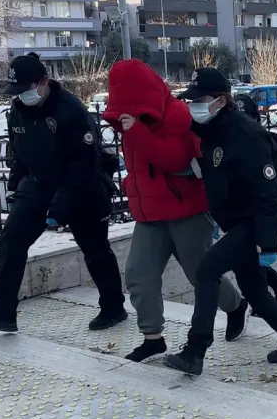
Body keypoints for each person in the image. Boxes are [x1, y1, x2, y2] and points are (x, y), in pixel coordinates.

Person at [0, 53, 126, 332]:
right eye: (16, 90)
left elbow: (84, 164)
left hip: (82, 187)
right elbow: (19, 154)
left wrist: (60, 207)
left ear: (43, 82)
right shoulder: (18, 109)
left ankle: (113, 308)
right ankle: (1, 311)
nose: (21, 95)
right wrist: (14, 188)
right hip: (38, 185)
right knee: (12, 240)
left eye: (25, 88)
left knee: (95, 250)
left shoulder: (71, 111)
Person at [163, 69, 277, 375]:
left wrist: (269, 242)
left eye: (199, 100)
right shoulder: (212, 129)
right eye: (192, 100)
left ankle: (195, 351)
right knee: (254, 289)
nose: (193, 106)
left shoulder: (246, 135)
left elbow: (269, 194)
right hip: (238, 218)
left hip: (257, 218)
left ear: (220, 101)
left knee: (207, 270)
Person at [101, 60, 248, 362]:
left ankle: (236, 306)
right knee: (139, 275)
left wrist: (137, 132)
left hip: (186, 212)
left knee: (200, 274)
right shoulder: (130, 120)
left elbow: (176, 159)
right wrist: (131, 186)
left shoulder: (178, 114)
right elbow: (139, 167)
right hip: (149, 215)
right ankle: (152, 338)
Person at [238, 95, 277, 312]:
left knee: (253, 260)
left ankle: (265, 304)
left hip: (272, 212)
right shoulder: (231, 142)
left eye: (247, 118)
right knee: (247, 259)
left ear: (256, 119)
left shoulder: (267, 141)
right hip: (246, 213)